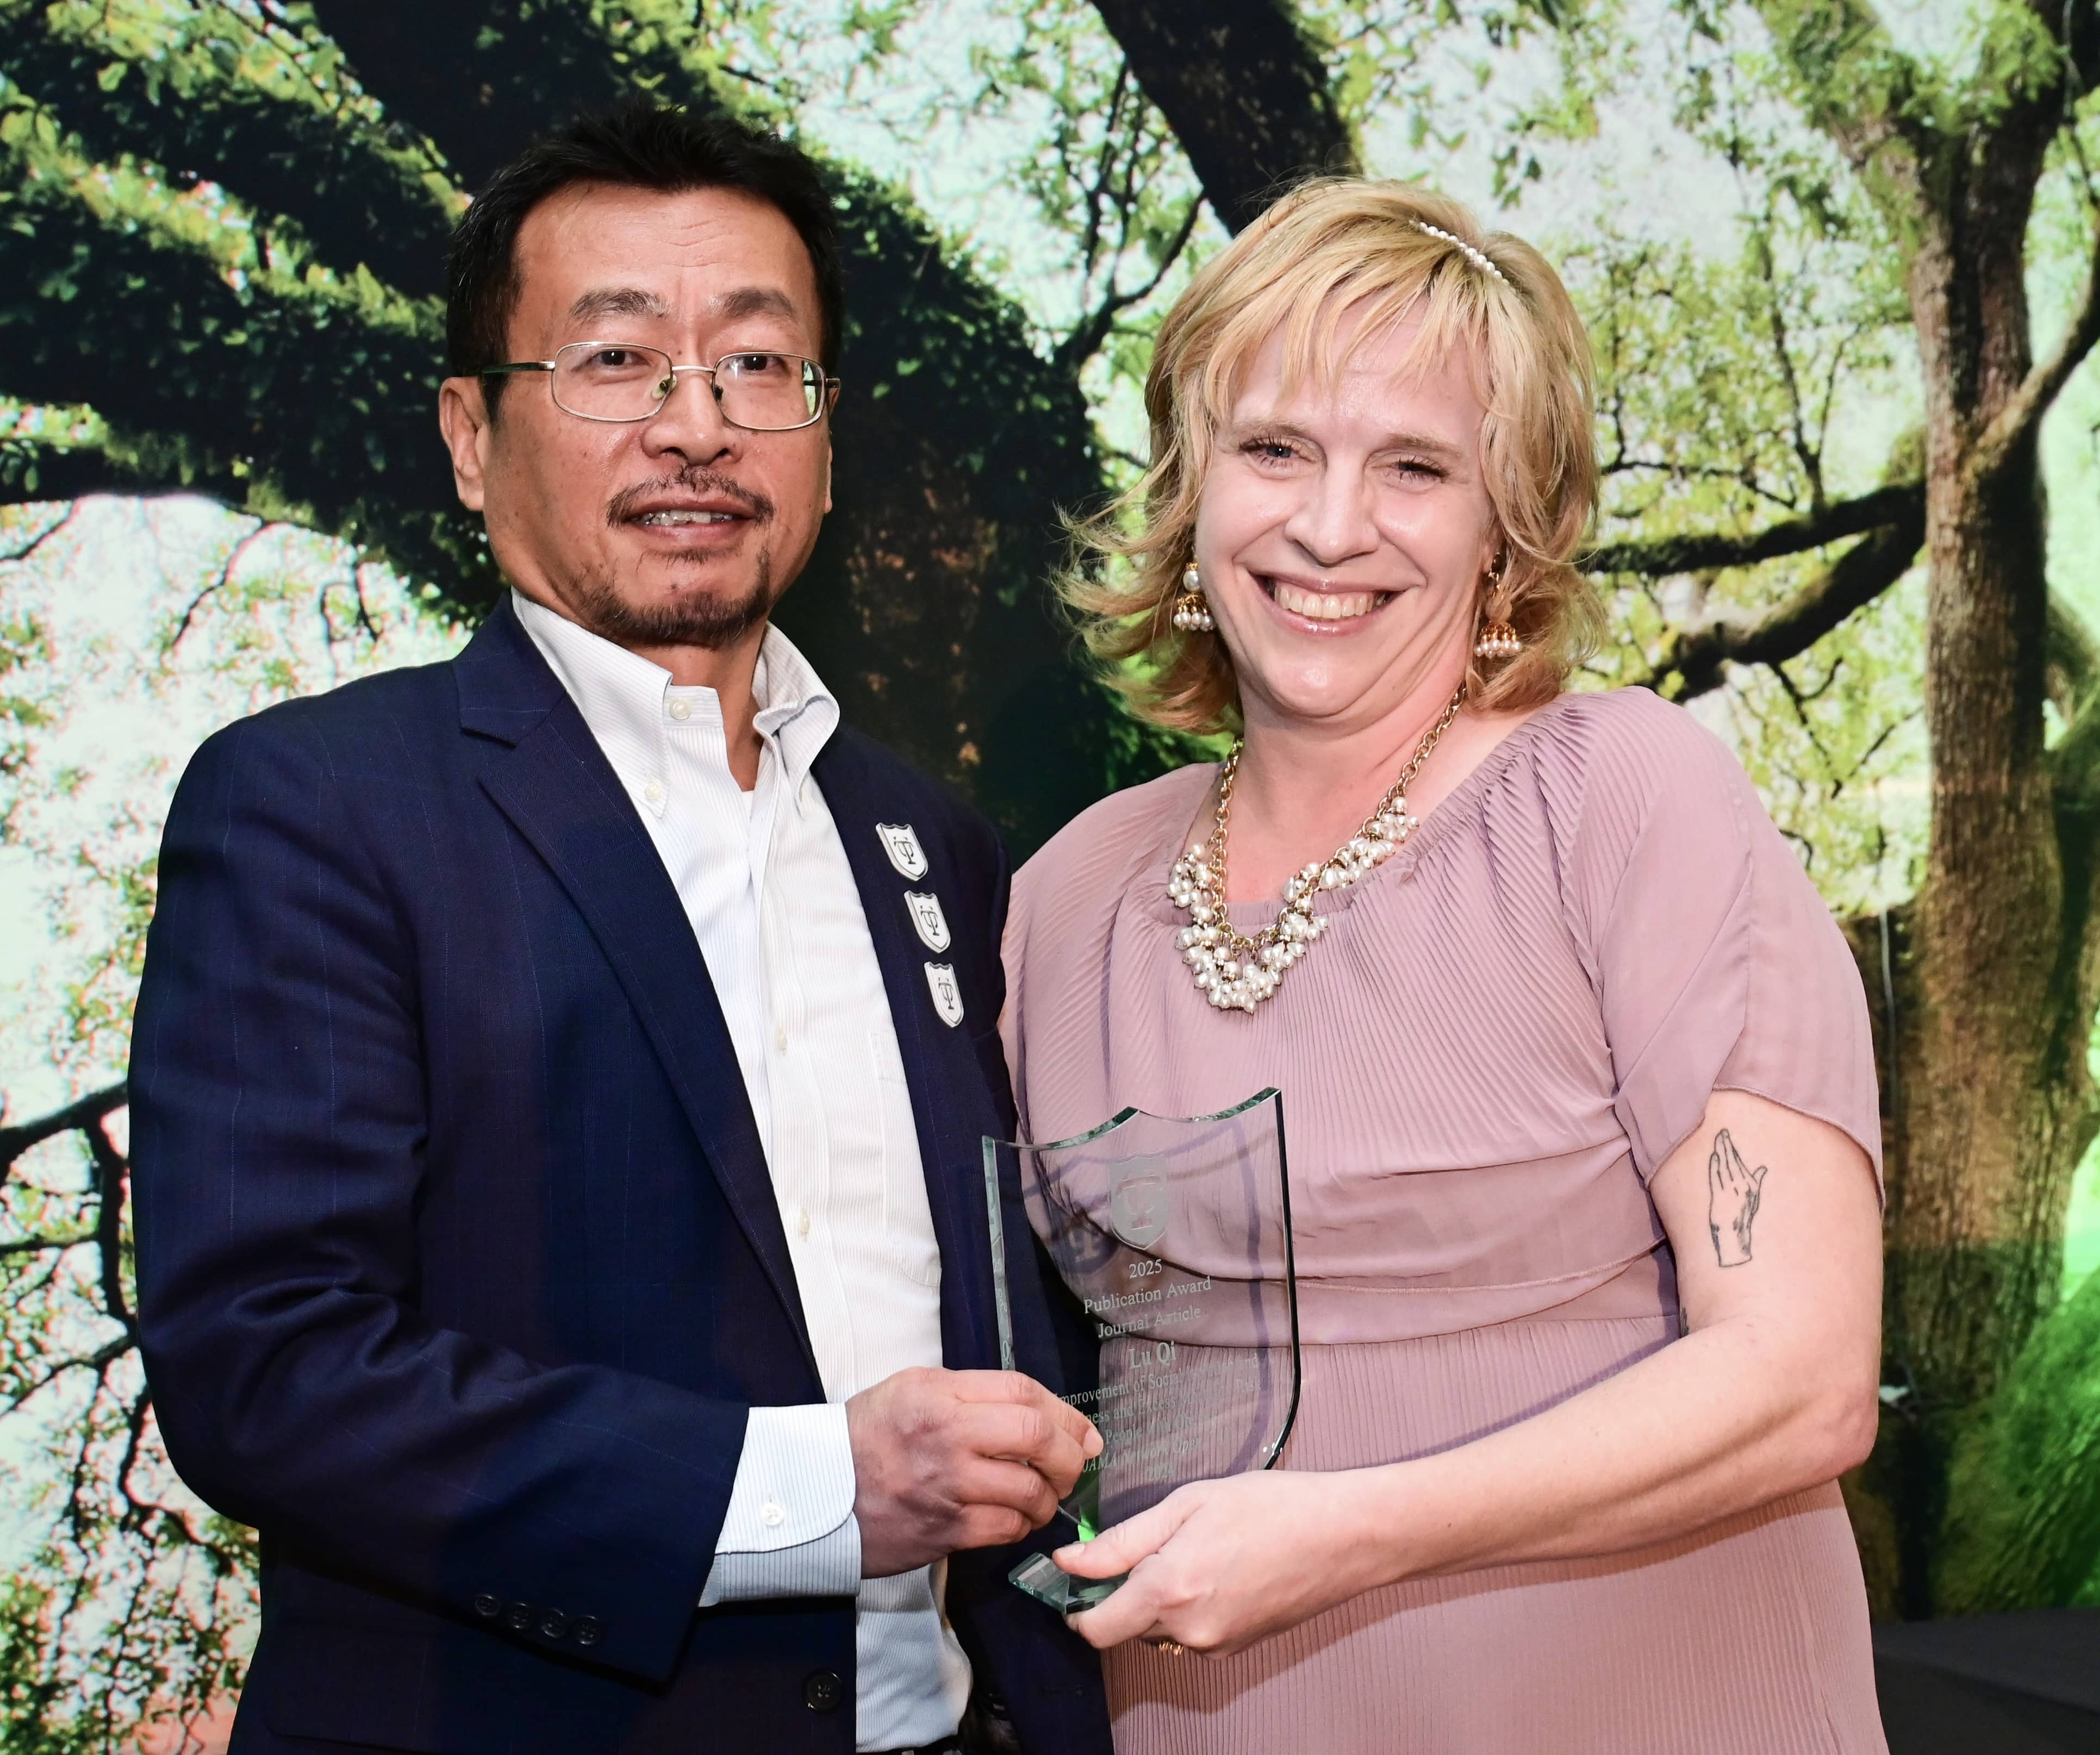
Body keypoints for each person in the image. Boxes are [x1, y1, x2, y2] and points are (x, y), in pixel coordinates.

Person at [130, 103, 1111, 1755]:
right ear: (468, 434)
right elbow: (269, 1370)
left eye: (757, 367)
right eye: (614, 363)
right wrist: (817, 1491)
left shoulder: (926, 840)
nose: (697, 428)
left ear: (823, 428)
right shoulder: (317, 804)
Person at [1001, 178, 1887, 1753]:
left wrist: (1343, 1531)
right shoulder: (1068, 894)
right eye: (1275, 449)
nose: (1331, 526)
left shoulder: (1624, 799)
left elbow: (1804, 1375)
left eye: (1416, 467)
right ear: (1188, 486)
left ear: (1505, 527)